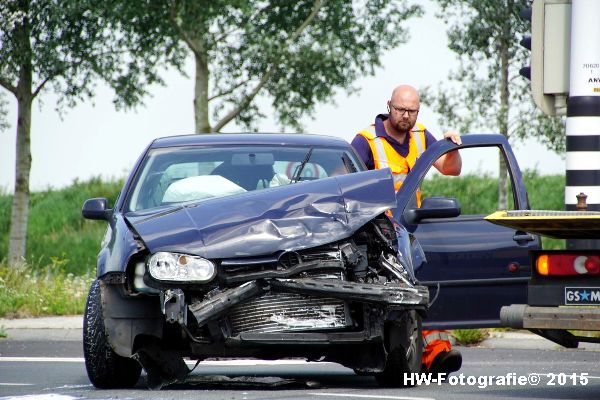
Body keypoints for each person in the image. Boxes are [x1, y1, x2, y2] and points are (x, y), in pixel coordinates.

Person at [351, 84, 463, 376]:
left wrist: (452, 147)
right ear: (389, 105)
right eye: (401, 109)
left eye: (412, 111)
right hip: (376, 230)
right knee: (404, 287)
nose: (406, 116)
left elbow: (451, 169)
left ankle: (426, 351)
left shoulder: (421, 135)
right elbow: (347, 185)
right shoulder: (366, 141)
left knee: (414, 286)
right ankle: (422, 352)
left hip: (407, 227)